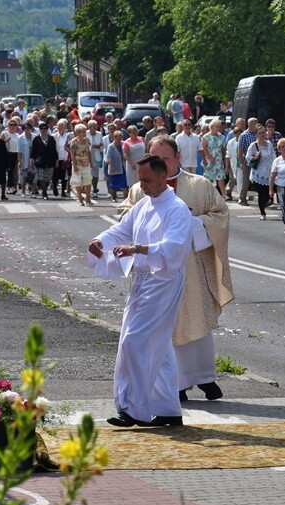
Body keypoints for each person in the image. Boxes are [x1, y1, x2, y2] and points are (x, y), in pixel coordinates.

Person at [118, 139, 235, 404]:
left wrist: (190, 224)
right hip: (156, 272)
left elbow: (220, 215)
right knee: (162, 329)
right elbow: (125, 215)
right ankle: (176, 385)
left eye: (166, 158)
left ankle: (204, 376)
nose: (161, 163)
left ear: (178, 157)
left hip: (191, 266)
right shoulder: (140, 189)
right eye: (154, 157)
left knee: (195, 319)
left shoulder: (199, 185)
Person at [91, 155, 192, 426]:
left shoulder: (177, 209)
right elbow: (121, 230)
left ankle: (134, 409)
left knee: (134, 341)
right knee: (159, 345)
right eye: (140, 180)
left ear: (163, 176)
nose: (143, 185)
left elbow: (175, 248)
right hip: (141, 281)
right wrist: (100, 241)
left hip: (163, 281)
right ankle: (168, 408)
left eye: (147, 180)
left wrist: (137, 249)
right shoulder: (144, 205)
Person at [245, 126, 276, 220]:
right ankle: (263, 213)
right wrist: (255, 157)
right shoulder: (253, 145)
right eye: (260, 133)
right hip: (259, 173)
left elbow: (273, 156)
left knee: (269, 194)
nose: (262, 135)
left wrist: (276, 168)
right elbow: (247, 157)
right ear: (256, 135)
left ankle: (265, 204)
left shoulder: (269, 144)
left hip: (269, 172)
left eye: (263, 133)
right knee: (262, 194)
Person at [201, 119, 228, 198]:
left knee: (220, 177)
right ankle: (207, 195)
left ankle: (223, 194)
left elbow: (223, 149)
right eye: (217, 126)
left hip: (219, 160)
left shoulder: (221, 137)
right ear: (212, 127)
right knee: (209, 178)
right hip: (210, 160)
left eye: (219, 127)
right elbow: (203, 148)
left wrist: (224, 160)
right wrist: (208, 157)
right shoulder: (206, 136)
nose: (218, 128)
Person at [68, 123, 94, 207]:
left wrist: (91, 162)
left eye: (85, 131)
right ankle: (80, 199)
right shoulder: (74, 141)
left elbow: (88, 151)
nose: (85, 133)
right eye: (83, 131)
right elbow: (72, 154)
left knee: (88, 180)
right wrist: (75, 166)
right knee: (77, 182)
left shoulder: (87, 140)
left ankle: (88, 199)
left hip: (86, 163)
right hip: (77, 163)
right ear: (78, 132)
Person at [31, 122, 58, 200]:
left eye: (45, 129)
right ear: (40, 130)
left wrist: (56, 161)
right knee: (41, 178)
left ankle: (45, 189)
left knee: (48, 178)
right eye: (42, 129)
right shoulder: (36, 139)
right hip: (40, 161)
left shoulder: (51, 139)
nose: (44, 130)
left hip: (50, 161)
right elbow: (33, 151)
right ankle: (44, 192)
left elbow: (54, 151)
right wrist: (32, 161)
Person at [237, 118, 260, 205]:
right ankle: (242, 199)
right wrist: (242, 163)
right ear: (250, 125)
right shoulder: (244, 135)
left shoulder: (258, 134)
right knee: (246, 182)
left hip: (259, 161)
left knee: (260, 180)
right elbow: (240, 151)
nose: (257, 126)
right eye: (255, 124)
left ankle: (262, 199)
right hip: (248, 162)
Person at [105, 129, 127, 203]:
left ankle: (126, 198)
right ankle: (113, 197)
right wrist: (111, 165)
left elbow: (126, 153)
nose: (119, 140)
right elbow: (108, 157)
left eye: (121, 138)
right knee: (113, 184)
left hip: (122, 167)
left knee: (124, 183)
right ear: (114, 137)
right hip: (114, 167)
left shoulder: (123, 144)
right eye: (118, 138)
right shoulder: (111, 146)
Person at [122, 126, 146, 190]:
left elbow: (146, 150)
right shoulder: (126, 142)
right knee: (133, 181)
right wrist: (132, 164)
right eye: (133, 132)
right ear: (129, 133)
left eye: (136, 132)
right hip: (133, 165)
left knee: (143, 179)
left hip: (142, 162)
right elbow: (126, 155)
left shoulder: (142, 139)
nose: (135, 133)